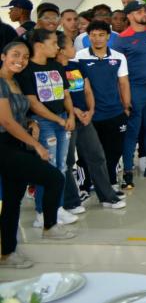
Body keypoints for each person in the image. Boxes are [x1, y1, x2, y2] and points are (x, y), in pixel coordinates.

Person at [1, 41, 74, 270]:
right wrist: (37, 145)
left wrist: (31, 122)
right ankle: (49, 226)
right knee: (54, 178)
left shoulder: (14, 81)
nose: (20, 60)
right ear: (3, 56)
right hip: (4, 145)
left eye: (24, 56)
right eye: (15, 54)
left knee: (13, 201)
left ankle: (8, 252)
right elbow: (5, 121)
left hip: (17, 143)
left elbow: (17, 114)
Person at [16, 29, 78, 227]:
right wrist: (59, 121)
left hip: (62, 120)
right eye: (53, 43)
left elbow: (66, 94)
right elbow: (34, 104)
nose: (57, 47)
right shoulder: (27, 71)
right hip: (43, 124)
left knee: (61, 166)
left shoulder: (56, 66)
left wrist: (69, 115)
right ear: (40, 45)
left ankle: (57, 208)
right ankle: (42, 213)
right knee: (48, 168)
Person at [60, 34, 126, 211]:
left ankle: (107, 196)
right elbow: (60, 96)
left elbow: (88, 90)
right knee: (66, 162)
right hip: (68, 119)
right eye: (69, 44)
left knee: (97, 156)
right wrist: (74, 111)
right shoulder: (54, 69)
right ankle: (72, 201)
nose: (73, 47)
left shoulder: (77, 65)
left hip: (85, 119)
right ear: (61, 50)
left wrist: (91, 111)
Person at [77, 21, 130, 190]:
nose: (97, 39)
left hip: (114, 112)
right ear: (88, 37)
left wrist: (126, 107)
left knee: (114, 151)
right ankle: (85, 186)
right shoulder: (79, 57)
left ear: (108, 36)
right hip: (90, 115)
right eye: (93, 35)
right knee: (87, 154)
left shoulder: (118, 56)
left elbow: (123, 83)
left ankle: (111, 182)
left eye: (101, 35)